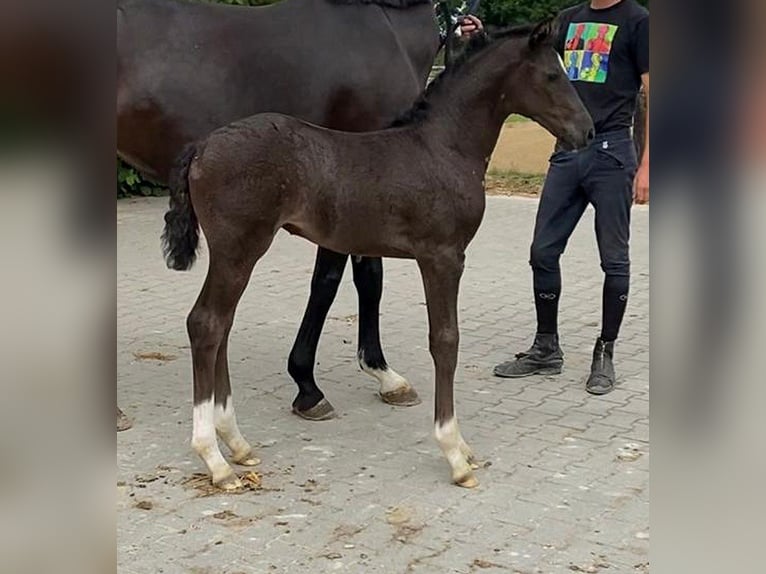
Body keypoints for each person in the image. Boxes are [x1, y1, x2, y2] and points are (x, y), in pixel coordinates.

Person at [489, 0, 650, 395]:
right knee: (543, 251)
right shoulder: (569, 19)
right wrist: (473, 35)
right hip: (567, 151)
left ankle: (605, 351)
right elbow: (534, 57)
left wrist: (648, 166)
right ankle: (546, 347)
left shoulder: (639, 22)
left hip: (612, 153)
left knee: (614, 259)